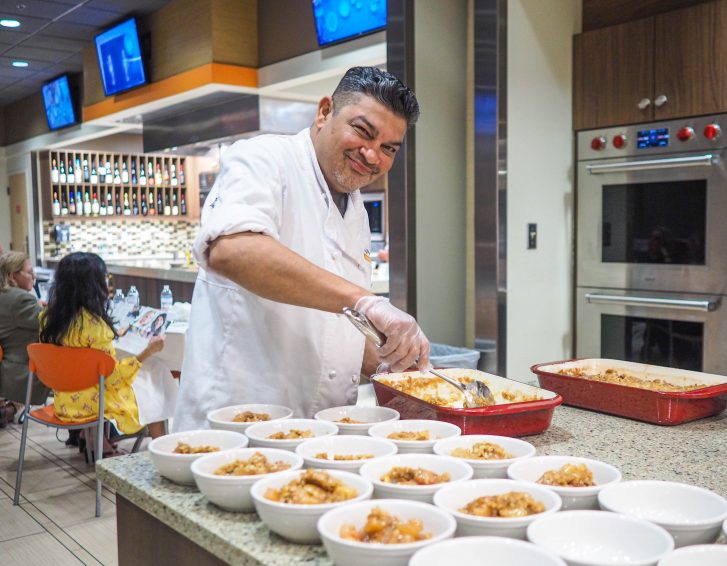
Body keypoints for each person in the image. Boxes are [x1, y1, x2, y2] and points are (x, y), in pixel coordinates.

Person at [174, 66, 430, 431]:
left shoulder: (355, 209)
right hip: (236, 426)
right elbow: (230, 249)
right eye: (362, 131)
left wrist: (398, 364)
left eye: (388, 148)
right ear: (325, 111)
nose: (373, 156)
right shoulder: (265, 158)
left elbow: (332, 330)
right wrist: (365, 300)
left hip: (321, 431)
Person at [39, 253, 168, 445]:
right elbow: (112, 378)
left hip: (63, 403)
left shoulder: (46, 318)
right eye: (105, 278)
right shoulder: (96, 327)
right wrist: (147, 352)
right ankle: (162, 446)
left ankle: (92, 438)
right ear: (93, 285)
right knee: (154, 383)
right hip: (92, 404)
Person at [0, 252, 49, 425]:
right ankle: (88, 429)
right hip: (23, 372)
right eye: (29, 272)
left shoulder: (7, 296)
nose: (34, 276)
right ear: (13, 276)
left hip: (9, 366)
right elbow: (50, 325)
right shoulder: (20, 299)